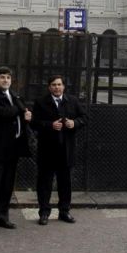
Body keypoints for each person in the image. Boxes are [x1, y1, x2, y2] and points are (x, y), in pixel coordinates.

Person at [0, 67, 32, 237]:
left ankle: (2, 217)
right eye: (2, 77)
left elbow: (22, 115)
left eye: (8, 77)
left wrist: (27, 116)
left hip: (13, 148)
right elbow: (3, 113)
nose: (6, 80)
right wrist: (20, 108)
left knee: (7, 187)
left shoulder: (14, 96)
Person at [31, 75, 87, 225]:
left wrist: (74, 123)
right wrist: (50, 125)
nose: (57, 87)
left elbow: (84, 117)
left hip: (66, 149)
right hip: (47, 150)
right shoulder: (41, 102)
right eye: (54, 85)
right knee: (44, 183)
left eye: (59, 84)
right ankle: (44, 212)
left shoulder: (73, 101)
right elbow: (34, 123)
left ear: (64, 87)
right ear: (49, 87)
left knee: (65, 183)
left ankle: (64, 211)